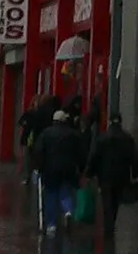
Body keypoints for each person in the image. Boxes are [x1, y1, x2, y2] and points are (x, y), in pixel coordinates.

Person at [30, 105, 89, 252]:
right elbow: (82, 154)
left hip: (50, 169)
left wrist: (39, 167)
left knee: (51, 194)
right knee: (66, 191)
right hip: (68, 169)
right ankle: (68, 211)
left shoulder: (46, 133)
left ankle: (51, 225)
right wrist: (81, 169)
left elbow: (38, 151)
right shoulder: (73, 134)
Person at [88, 114, 138, 238]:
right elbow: (135, 158)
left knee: (106, 201)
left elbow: (95, 157)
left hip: (105, 176)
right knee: (116, 201)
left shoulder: (102, 138)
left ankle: (108, 226)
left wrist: (89, 172)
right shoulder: (127, 139)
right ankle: (111, 223)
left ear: (109, 122)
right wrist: (135, 173)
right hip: (121, 176)